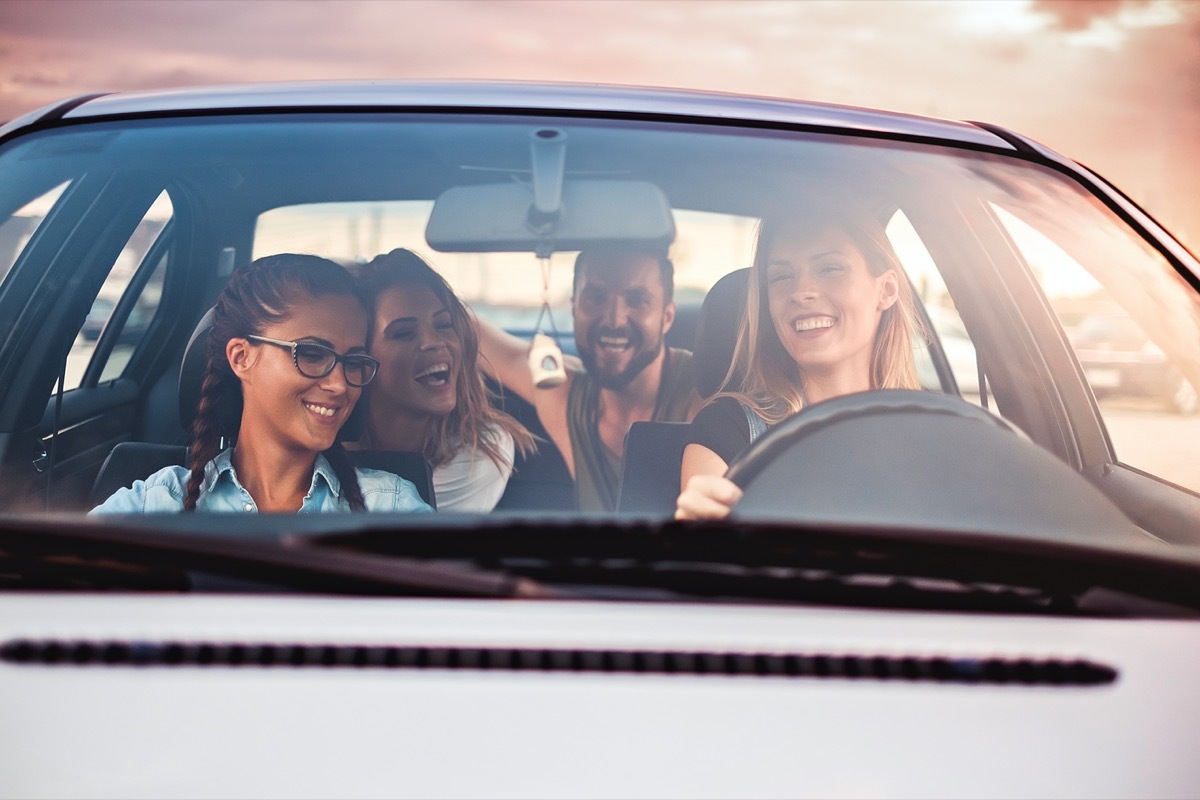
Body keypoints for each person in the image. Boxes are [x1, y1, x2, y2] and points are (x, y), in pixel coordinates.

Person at [92, 254, 432, 514]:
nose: (340, 385)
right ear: (241, 357)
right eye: (312, 354)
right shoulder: (154, 505)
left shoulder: (392, 506)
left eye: (354, 362)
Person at [675, 206, 923, 521]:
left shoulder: (940, 426)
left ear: (886, 290)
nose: (801, 292)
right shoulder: (728, 430)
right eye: (781, 276)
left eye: (830, 268)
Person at [477, 246, 703, 512]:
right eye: (596, 297)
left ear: (666, 317)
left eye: (637, 299)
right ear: (574, 308)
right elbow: (469, 330)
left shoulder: (706, 395)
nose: (614, 320)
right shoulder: (562, 394)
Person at [348, 248, 535, 512]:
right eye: (403, 333)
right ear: (361, 358)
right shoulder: (320, 445)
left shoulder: (479, 453)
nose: (434, 342)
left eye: (444, 324)